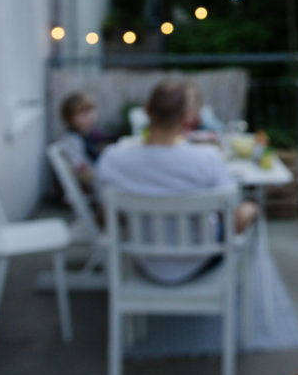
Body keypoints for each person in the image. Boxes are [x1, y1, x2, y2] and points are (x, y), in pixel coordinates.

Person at [95, 79, 259, 284]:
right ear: (186, 117)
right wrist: (250, 210)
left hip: (144, 259)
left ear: (146, 111)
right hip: (199, 259)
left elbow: (105, 218)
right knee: (249, 209)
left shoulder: (113, 159)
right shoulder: (208, 159)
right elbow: (232, 218)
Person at [58, 91, 103, 195]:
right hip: (96, 184)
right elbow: (81, 168)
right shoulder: (70, 140)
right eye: (83, 113)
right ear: (69, 118)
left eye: (90, 111)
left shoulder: (87, 133)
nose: (89, 116)